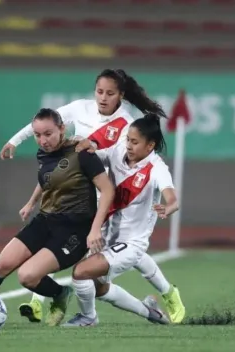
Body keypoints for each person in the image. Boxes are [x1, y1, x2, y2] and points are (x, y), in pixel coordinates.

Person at [1, 69, 185, 324]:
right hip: (79, 190)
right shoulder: (80, 109)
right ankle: (39, 302)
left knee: (104, 256)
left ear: (121, 95)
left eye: (110, 93)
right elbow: (45, 126)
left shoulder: (127, 125)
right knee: (71, 253)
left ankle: (165, 293)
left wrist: (169, 205)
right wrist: (15, 141)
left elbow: (118, 157)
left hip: (106, 195)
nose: (103, 98)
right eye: (100, 92)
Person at [0, 108, 115, 328]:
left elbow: (108, 190)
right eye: (37, 135)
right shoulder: (43, 153)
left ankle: (60, 294)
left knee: (27, 276)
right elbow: (49, 177)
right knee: (1, 265)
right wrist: (31, 202)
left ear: (62, 128)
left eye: (48, 133)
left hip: (74, 229)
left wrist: (95, 229)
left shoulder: (82, 152)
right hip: (45, 220)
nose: (42, 140)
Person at [62, 112, 179, 327]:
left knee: (81, 272)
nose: (129, 146)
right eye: (128, 140)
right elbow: (94, 157)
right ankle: (149, 312)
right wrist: (80, 145)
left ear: (150, 145)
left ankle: (88, 318)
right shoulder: (118, 152)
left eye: (135, 142)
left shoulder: (157, 168)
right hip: (107, 236)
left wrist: (168, 207)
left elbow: (172, 198)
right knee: (98, 289)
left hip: (132, 244)